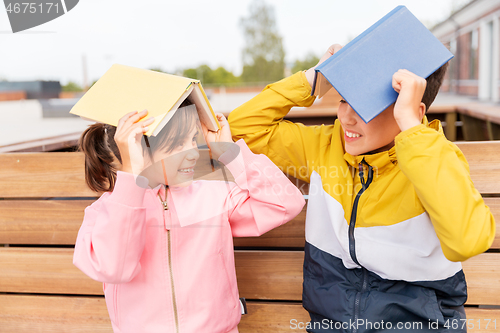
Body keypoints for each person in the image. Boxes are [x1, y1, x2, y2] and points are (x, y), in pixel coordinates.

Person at [228, 44, 496, 332]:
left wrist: (412, 131)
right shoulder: (325, 147)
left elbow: (468, 241)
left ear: (411, 112)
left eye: (366, 107)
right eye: (344, 100)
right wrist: (314, 79)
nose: (347, 118)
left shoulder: (433, 157)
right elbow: (242, 128)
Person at [72, 101, 305, 333]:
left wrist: (231, 153)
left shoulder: (215, 196)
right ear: (138, 150)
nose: (194, 152)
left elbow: (286, 204)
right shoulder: (107, 211)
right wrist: (131, 178)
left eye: (193, 139)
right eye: (177, 144)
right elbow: (114, 268)